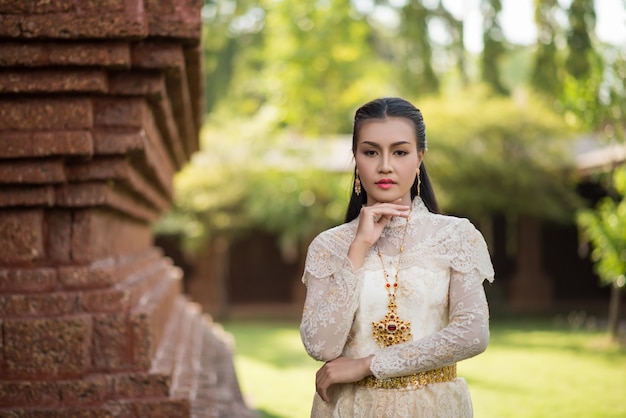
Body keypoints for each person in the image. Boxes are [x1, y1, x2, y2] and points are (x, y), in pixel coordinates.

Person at [299, 97, 494, 417]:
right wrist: (358, 248)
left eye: (400, 152)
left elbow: (473, 333)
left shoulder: (456, 236)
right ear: (356, 158)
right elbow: (321, 347)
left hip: (432, 407)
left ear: (419, 158)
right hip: (349, 408)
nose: (385, 165)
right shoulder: (329, 246)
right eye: (371, 151)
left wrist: (368, 365)